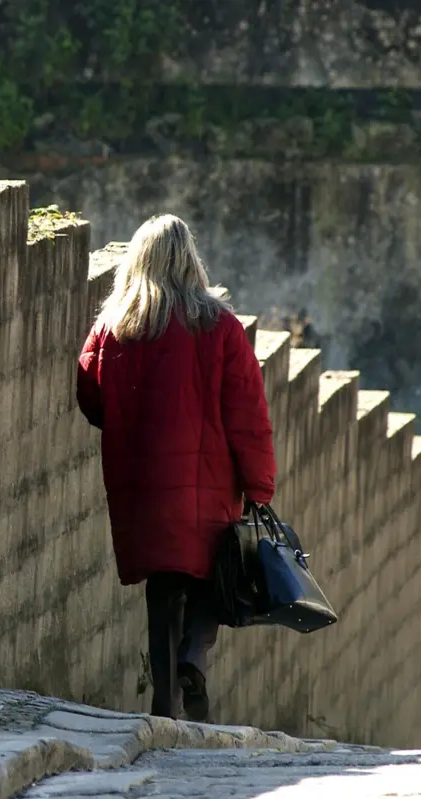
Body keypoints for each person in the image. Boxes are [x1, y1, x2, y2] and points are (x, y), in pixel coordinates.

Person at [76, 214, 276, 722]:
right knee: (215, 570)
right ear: (191, 261)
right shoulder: (221, 327)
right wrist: (259, 484)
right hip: (211, 481)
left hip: (144, 483)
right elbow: (248, 413)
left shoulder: (113, 328)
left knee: (164, 586)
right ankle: (194, 659)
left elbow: (91, 397)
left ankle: (164, 699)